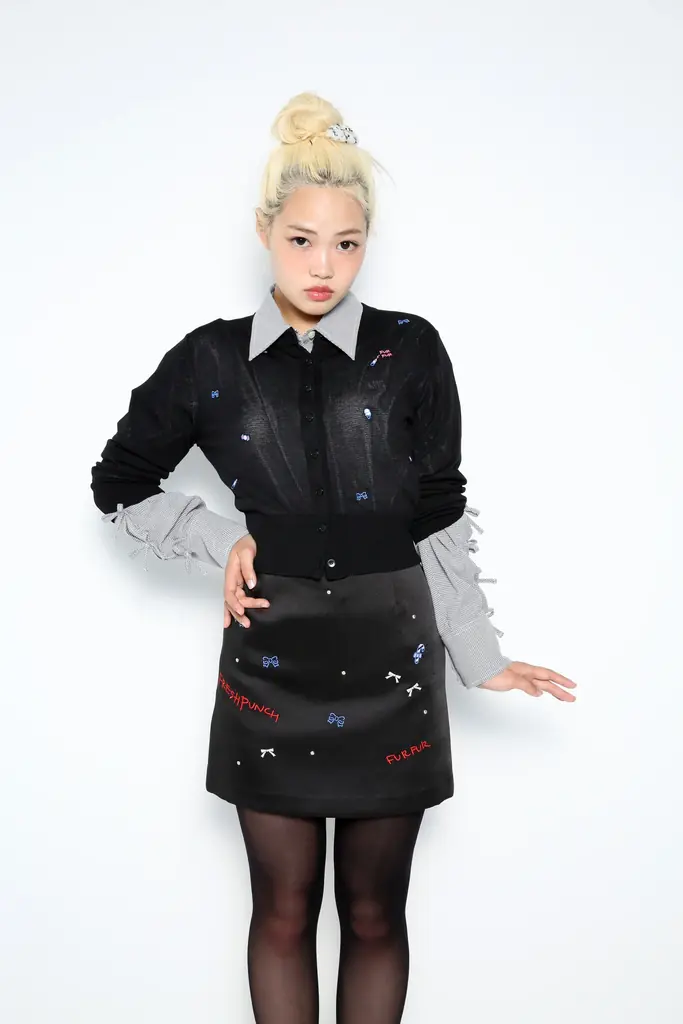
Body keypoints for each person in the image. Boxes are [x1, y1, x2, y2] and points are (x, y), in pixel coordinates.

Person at [90, 91, 576, 1024]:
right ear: (264, 232)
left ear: (367, 243)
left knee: (374, 912)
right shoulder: (209, 360)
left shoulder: (411, 348)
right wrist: (222, 539)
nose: (323, 265)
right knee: (280, 911)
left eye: (346, 244)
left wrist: (480, 655)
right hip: (270, 656)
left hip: (394, 652)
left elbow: (437, 510)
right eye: (303, 240)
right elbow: (120, 481)